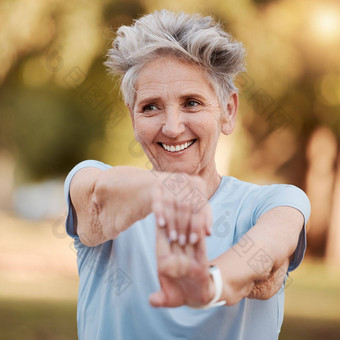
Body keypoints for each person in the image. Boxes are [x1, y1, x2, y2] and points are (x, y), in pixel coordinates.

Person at [64, 10, 311, 340]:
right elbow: (98, 200)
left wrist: (206, 285)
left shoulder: (275, 202)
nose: (172, 127)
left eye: (192, 103)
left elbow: (266, 261)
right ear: (132, 115)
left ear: (228, 111)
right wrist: (164, 191)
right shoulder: (90, 178)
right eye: (151, 106)